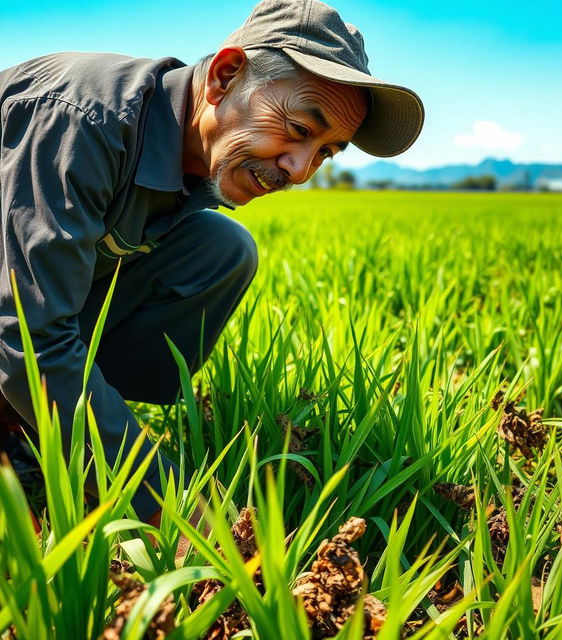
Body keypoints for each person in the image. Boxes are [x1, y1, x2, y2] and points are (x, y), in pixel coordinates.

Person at [0, 0, 424, 524]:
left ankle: (40, 428)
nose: (299, 169)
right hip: (14, 317)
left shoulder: (197, 155)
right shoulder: (82, 121)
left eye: (325, 152)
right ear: (225, 76)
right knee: (37, 345)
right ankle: (42, 423)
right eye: (297, 128)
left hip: (24, 308)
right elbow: (26, 333)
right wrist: (176, 509)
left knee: (221, 249)